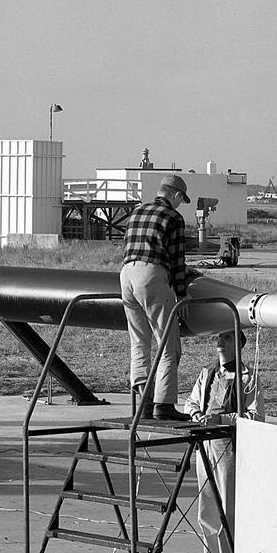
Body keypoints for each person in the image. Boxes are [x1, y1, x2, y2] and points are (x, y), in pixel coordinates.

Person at [120, 173, 192, 422]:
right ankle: (164, 404)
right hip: (150, 276)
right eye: (182, 199)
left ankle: (144, 402)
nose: (181, 203)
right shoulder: (173, 217)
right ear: (175, 195)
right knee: (167, 344)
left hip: (126, 275)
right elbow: (176, 259)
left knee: (139, 343)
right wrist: (182, 293)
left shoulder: (136, 212)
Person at [187, 330, 255, 553]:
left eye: (226, 338)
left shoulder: (248, 377)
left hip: (229, 446)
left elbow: (255, 415)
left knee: (229, 507)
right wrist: (197, 416)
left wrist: (223, 419)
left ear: (238, 344)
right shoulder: (207, 373)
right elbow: (191, 402)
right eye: (218, 337)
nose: (219, 342)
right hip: (205, 443)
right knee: (207, 506)